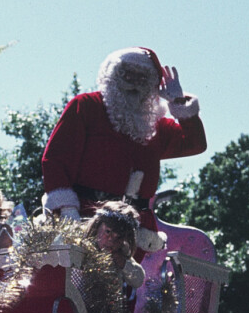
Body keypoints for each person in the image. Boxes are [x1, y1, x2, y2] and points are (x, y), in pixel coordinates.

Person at [41, 47, 205, 258]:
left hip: (132, 232)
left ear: (153, 84)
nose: (134, 82)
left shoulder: (155, 125)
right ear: (112, 74)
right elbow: (55, 160)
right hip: (83, 221)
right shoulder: (87, 106)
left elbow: (194, 143)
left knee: (122, 290)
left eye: (143, 77)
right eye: (127, 73)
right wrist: (67, 210)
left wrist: (178, 102)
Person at [83, 201, 148, 291]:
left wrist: (124, 264)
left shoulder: (121, 252)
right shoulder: (81, 242)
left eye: (119, 237)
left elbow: (139, 280)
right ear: (97, 225)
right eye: (108, 232)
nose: (111, 240)